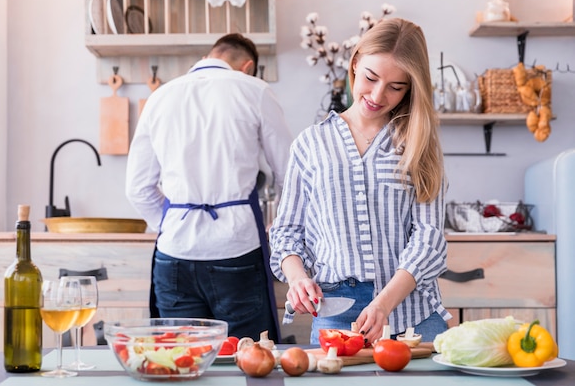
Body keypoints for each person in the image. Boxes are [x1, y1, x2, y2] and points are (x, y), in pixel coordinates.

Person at [269, 18, 451, 346]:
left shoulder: (419, 143)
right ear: (355, 64)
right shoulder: (310, 144)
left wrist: (383, 303)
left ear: (411, 88)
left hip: (413, 315)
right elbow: (286, 234)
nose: (378, 95)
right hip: (335, 311)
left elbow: (429, 238)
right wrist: (296, 279)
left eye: (396, 86)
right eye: (370, 77)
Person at [126, 33, 293, 343]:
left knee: (180, 362)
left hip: (174, 251)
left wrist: (173, 222)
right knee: (248, 360)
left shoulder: (159, 97)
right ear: (248, 67)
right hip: (237, 247)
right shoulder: (254, 90)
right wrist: (280, 226)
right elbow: (292, 175)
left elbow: (137, 188)